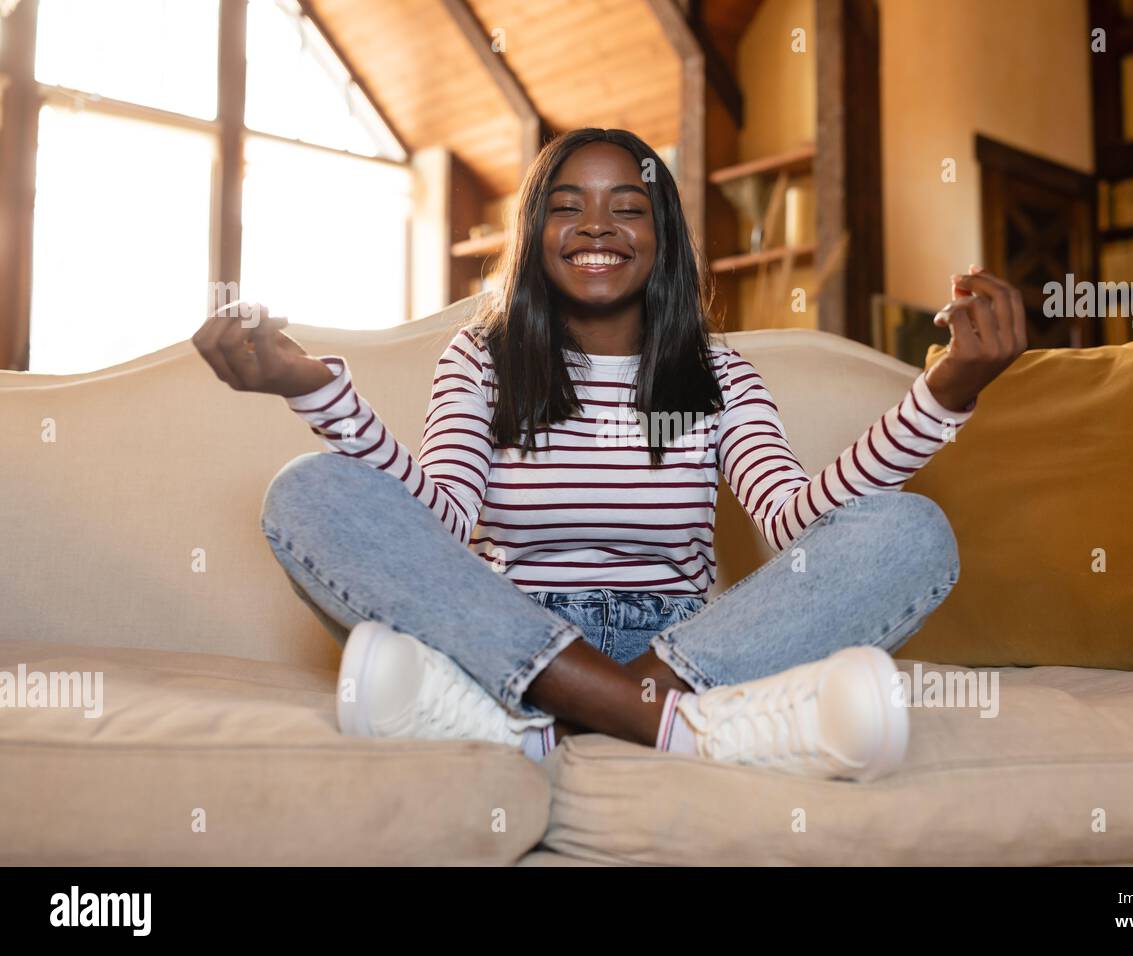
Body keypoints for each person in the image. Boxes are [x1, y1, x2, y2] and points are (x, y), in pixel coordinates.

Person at [191, 128, 1026, 781]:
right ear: (536, 231)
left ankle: (534, 723)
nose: (596, 224)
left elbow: (794, 522)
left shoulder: (717, 373)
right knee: (309, 493)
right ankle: (682, 728)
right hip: (507, 628)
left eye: (627, 206)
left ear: (661, 235)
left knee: (912, 532)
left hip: (695, 646)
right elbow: (435, 522)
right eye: (567, 205)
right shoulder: (480, 360)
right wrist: (312, 388)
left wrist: (945, 392)